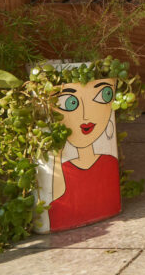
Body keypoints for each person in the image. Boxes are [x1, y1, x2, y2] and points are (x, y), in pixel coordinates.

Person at [44, 79, 121, 232]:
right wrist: (56, 150)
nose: (86, 116)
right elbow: (54, 202)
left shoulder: (109, 162)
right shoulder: (62, 169)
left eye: (104, 95)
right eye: (69, 102)